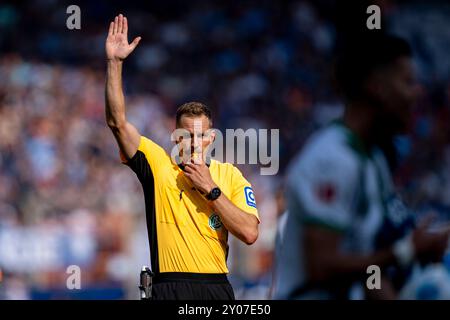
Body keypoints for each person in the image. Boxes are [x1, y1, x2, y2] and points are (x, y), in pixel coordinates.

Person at [272, 33, 450, 300]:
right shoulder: (332, 158)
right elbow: (321, 266)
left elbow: (369, 275)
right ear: (377, 87)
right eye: (408, 82)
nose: (417, 93)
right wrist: (406, 252)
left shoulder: (372, 160)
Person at [104, 14, 260, 300]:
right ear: (175, 136)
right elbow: (117, 123)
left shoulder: (230, 176)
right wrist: (115, 64)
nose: (194, 142)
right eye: (186, 135)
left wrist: (211, 190)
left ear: (212, 138)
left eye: (201, 136)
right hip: (168, 288)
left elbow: (250, 233)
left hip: (215, 287)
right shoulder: (157, 164)